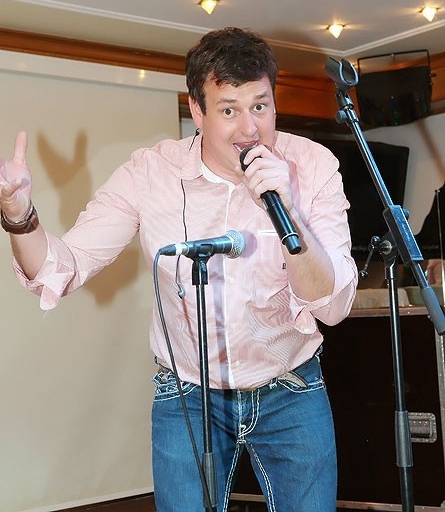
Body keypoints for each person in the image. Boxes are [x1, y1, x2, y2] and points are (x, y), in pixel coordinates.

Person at [0, 27, 358, 512]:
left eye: (260, 106)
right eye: (229, 110)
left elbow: (332, 306)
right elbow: (61, 269)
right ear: (197, 111)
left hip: (291, 386)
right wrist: (19, 215)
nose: (250, 128)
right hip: (188, 392)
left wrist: (289, 210)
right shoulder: (150, 173)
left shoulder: (312, 167)